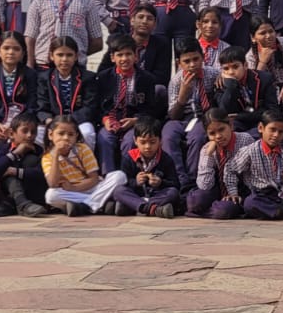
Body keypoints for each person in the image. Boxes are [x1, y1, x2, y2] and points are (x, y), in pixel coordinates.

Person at [224, 109, 283, 221]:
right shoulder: (250, 151)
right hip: (263, 195)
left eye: (281, 132)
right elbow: (230, 169)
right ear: (261, 128)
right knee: (250, 203)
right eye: (272, 130)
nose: (276, 135)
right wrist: (233, 192)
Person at [93, 35, 163, 172]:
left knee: (130, 140)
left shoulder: (146, 79)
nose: (124, 59)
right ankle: (109, 176)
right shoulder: (103, 77)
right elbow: (96, 106)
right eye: (120, 55)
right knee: (104, 138)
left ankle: (128, 175)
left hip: (133, 122)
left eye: (128, 54)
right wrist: (105, 119)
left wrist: (136, 120)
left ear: (136, 56)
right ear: (112, 58)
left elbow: (151, 109)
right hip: (110, 120)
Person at [43, 115, 125, 216]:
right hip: (70, 193)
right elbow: (52, 183)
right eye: (61, 134)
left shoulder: (82, 149)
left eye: (70, 134)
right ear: (50, 135)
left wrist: (74, 188)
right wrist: (56, 155)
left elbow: (93, 179)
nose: (66, 138)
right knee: (51, 195)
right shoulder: (47, 157)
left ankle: (87, 205)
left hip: (90, 188)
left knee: (119, 176)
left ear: (76, 136)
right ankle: (100, 204)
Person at [163, 39, 217, 191]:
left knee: (198, 136)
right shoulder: (176, 80)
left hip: (204, 117)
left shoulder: (213, 74)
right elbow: (173, 115)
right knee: (168, 134)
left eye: (196, 59)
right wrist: (182, 96)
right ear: (179, 63)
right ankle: (179, 178)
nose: (192, 64)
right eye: (186, 61)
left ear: (203, 57)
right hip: (182, 118)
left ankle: (193, 180)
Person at [0, 32, 38, 158]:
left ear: (23, 53)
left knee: (39, 140)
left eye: (16, 49)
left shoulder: (30, 74)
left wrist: (17, 127)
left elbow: (32, 104)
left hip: (24, 124)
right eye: (6, 48)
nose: (11, 52)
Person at [114, 116, 181, 218]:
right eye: (143, 142)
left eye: (152, 142)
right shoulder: (129, 157)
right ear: (135, 141)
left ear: (160, 141)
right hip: (136, 194)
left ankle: (135, 207)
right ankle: (152, 209)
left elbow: (175, 184)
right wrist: (135, 182)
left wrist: (160, 182)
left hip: (156, 195)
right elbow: (125, 181)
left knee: (173, 193)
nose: (148, 146)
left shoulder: (166, 159)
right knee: (119, 190)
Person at [191, 108, 252, 219]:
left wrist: (233, 194)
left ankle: (212, 211)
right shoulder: (206, 149)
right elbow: (204, 185)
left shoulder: (245, 140)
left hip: (240, 190)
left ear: (231, 126)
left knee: (224, 210)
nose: (218, 136)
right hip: (216, 190)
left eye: (221, 130)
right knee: (195, 201)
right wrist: (208, 155)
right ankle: (215, 209)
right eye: (212, 133)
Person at [0, 113, 49, 217]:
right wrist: (15, 154)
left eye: (33, 132)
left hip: (33, 193)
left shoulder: (38, 151)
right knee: (6, 170)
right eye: (25, 131)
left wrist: (16, 172)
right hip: (9, 192)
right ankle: (20, 204)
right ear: (11, 134)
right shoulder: (5, 149)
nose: (29, 135)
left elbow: (42, 173)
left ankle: (19, 204)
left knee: (30, 161)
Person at [217, 45, 276, 132]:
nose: (231, 72)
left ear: (245, 65)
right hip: (238, 125)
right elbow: (223, 113)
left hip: (260, 121)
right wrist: (231, 87)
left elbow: (272, 110)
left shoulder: (264, 78)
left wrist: (241, 116)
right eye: (226, 68)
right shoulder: (221, 83)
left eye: (235, 67)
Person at [247, 16, 283, 86]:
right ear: (253, 38)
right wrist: (262, 62)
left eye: (271, 31)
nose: (268, 36)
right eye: (263, 33)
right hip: (267, 89)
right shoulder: (250, 56)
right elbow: (254, 84)